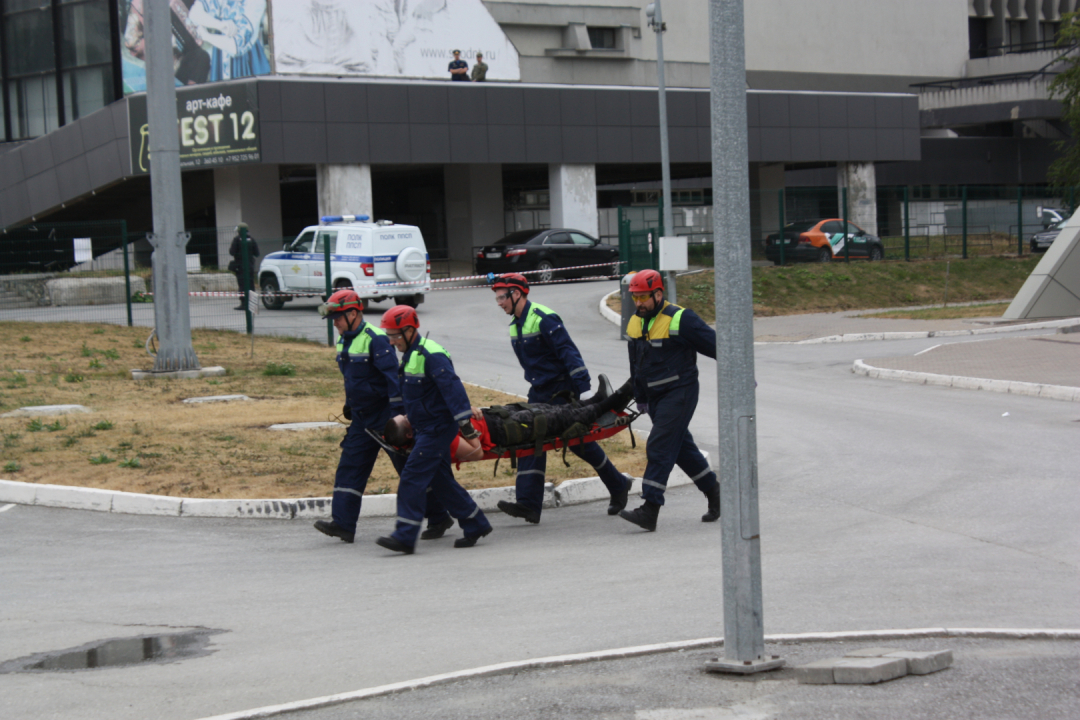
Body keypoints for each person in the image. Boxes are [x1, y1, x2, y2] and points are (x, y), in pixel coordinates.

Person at [490, 273, 632, 524]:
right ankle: (529, 505)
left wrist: (585, 391)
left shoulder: (544, 317)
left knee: (576, 441)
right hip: (539, 393)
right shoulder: (515, 324)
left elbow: (569, 353)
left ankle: (617, 484)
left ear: (517, 293)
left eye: (502, 297)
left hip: (561, 392)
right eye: (497, 298)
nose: (499, 303)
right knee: (529, 438)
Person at [376, 305, 493, 554]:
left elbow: (453, 389)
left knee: (412, 477)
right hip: (423, 428)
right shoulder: (409, 355)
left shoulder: (431, 354)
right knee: (439, 481)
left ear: (409, 330)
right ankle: (476, 523)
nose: (391, 341)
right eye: (389, 335)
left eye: (395, 335)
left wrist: (466, 426)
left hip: (437, 429)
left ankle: (405, 536)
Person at [619, 269, 720, 532]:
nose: (638, 303)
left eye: (643, 297)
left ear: (658, 293)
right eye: (635, 297)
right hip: (654, 397)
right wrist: (639, 396)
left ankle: (649, 509)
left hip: (680, 392)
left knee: (660, 445)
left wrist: (742, 371)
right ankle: (716, 494)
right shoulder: (634, 321)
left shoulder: (680, 318)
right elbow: (636, 365)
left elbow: (717, 345)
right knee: (683, 450)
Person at [312, 289, 404, 544]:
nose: (335, 323)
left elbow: (393, 381)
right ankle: (343, 524)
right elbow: (352, 377)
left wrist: (398, 418)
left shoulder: (376, 339)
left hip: (385, 415)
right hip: (362, 418)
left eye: (338, 317)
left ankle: (438, 515)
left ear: (353, 313)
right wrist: (350, 403)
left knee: (407, 466)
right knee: (350, 466)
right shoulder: (344, 339)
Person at [383, 375, 635, 465]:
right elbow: (477, 452)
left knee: (552, 409)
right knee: (562, 419)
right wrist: (466, 425)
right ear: (409, 434)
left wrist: (465, 411)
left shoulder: (427, 425)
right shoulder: (438, 441)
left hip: (498, 416)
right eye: (405, 418)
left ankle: (598, 400)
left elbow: (454, 413)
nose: (408, 414)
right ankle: (613, 401)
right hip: (504, 432)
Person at [228, 223, 259, 310]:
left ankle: (243, 304)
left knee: (242, 284)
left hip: (240, 266)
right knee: (251, 284)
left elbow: (231, 252)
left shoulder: (237, 239)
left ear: (239, 231)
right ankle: (252, 304)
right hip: (250, 266)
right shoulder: (252, 239)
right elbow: (257, 253)